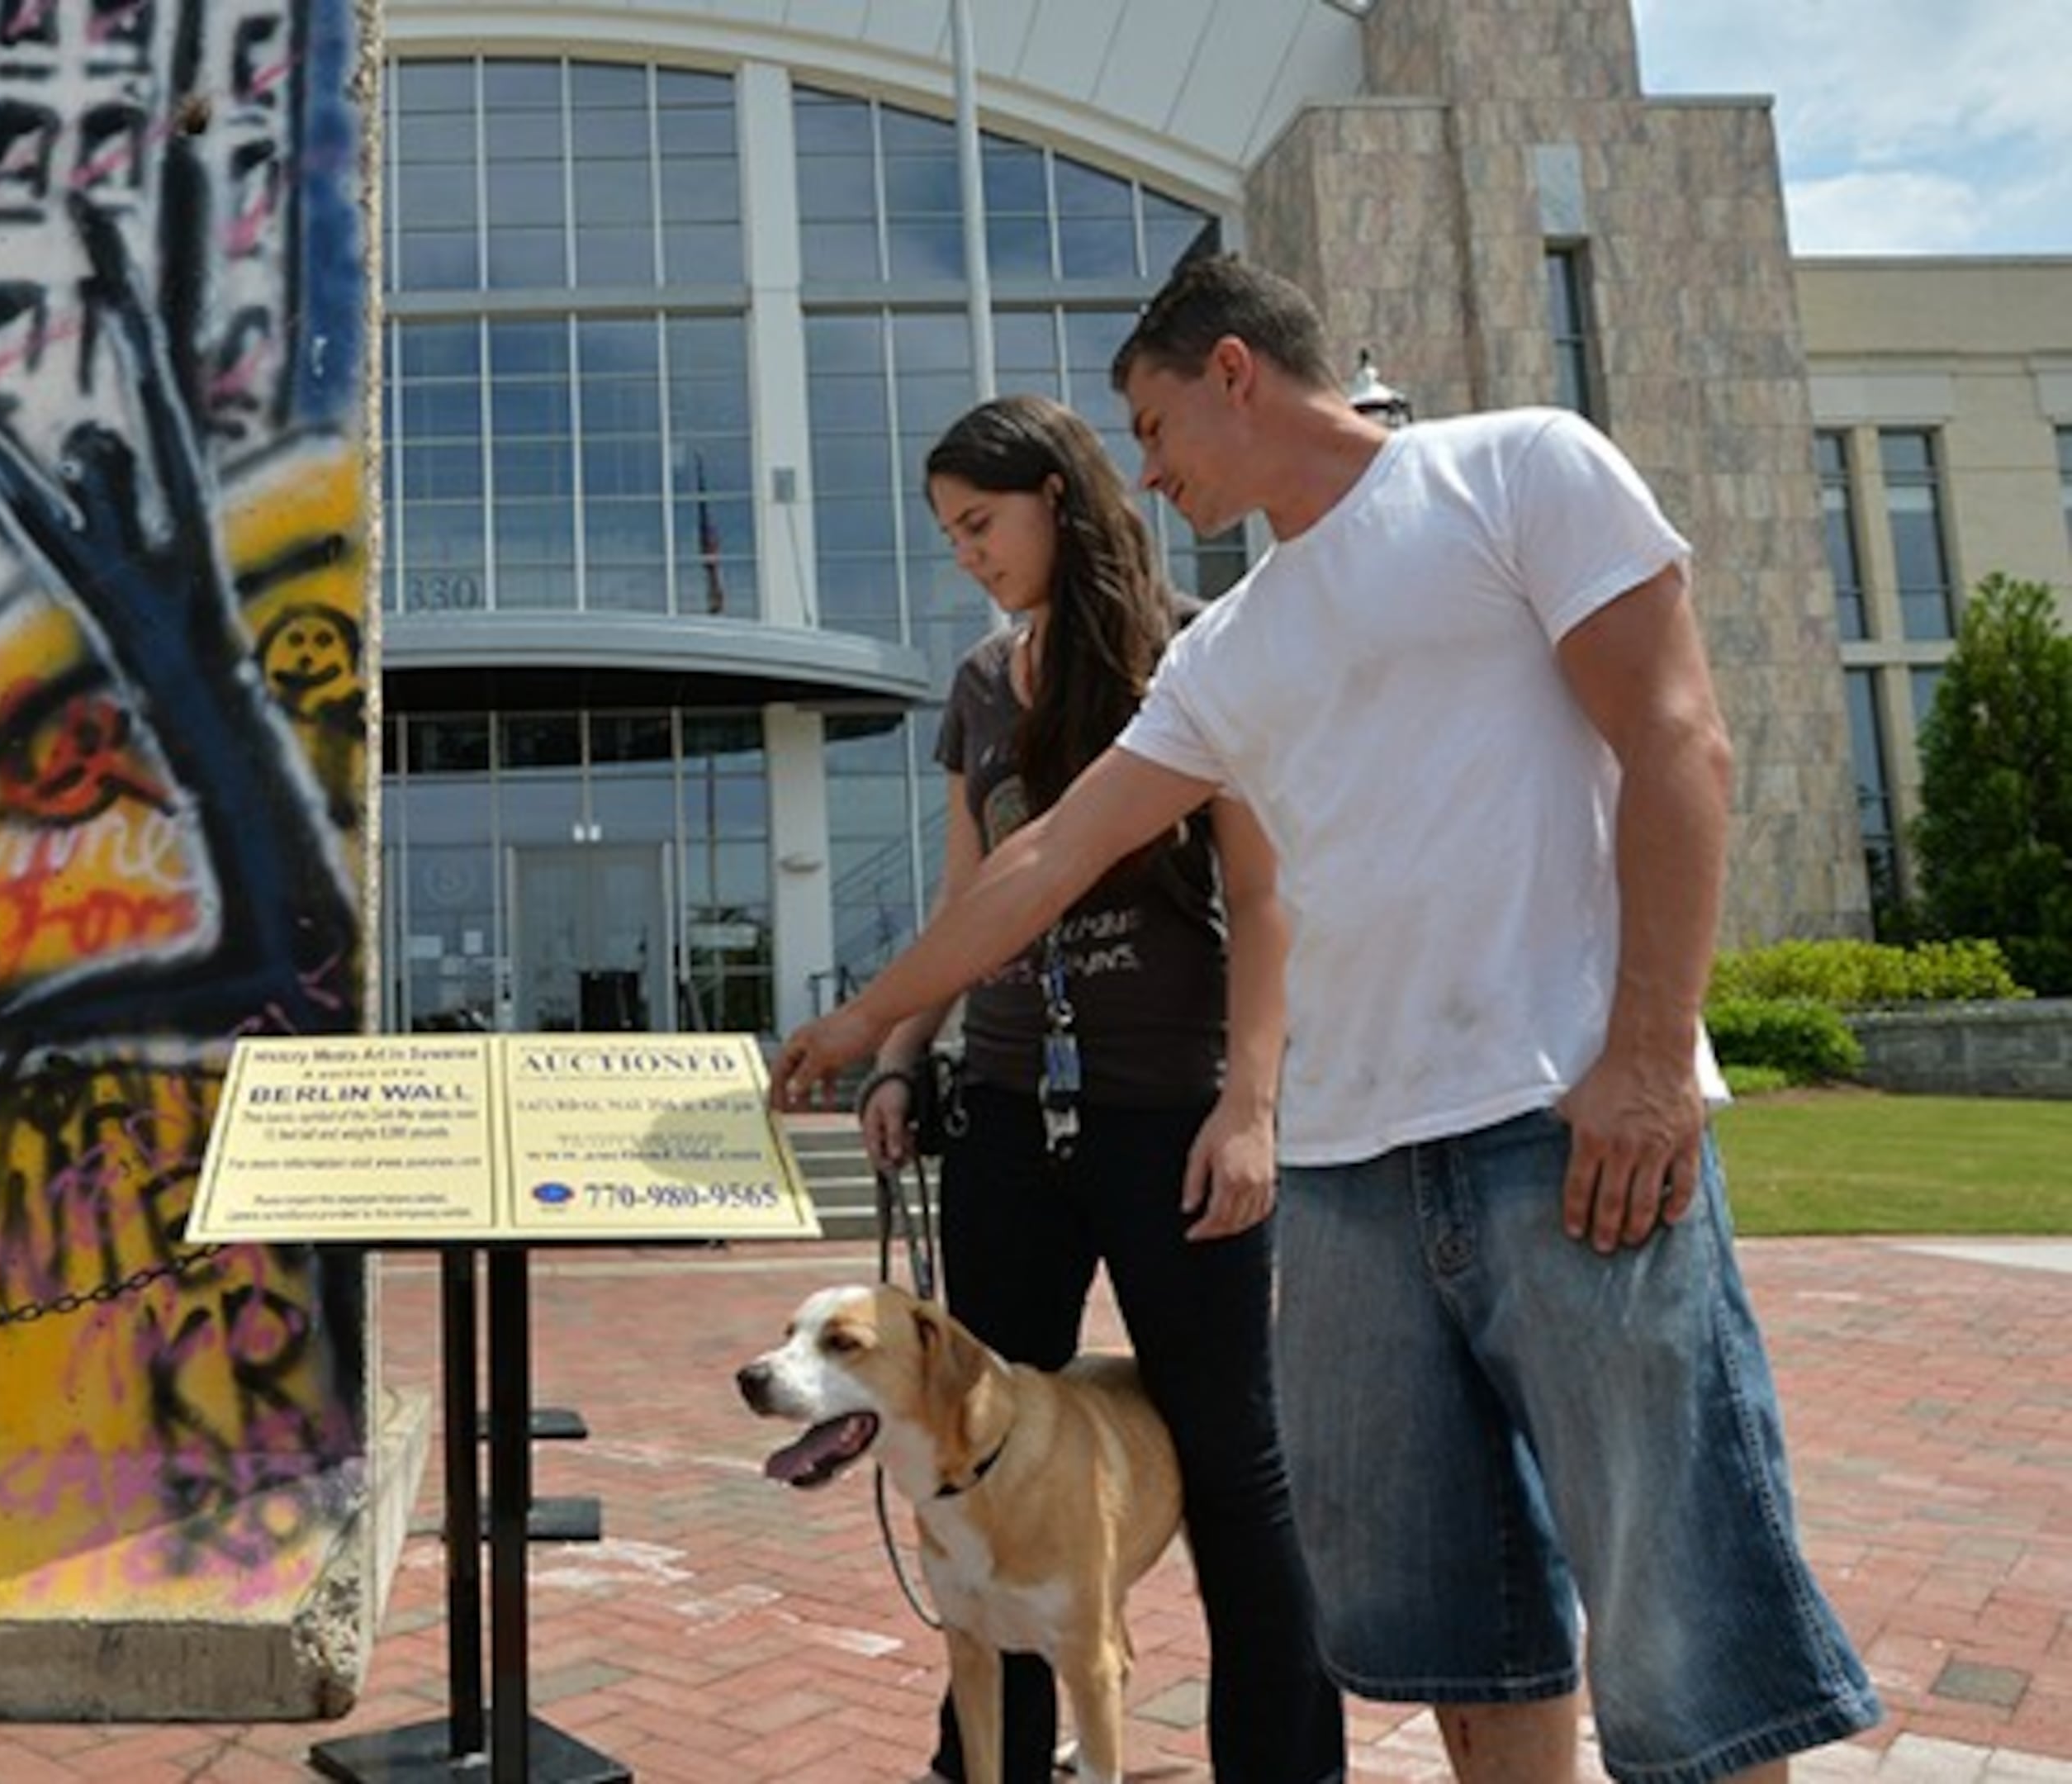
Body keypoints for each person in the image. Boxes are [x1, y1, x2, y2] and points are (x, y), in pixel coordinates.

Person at [775, 255, 1880, 1784]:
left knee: (1679, 1623)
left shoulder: (1519, 471)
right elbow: (1045, 855)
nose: (1145, 473)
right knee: (1461, 1637)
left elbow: (1680, 737)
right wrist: (867, 1019)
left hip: (1564, 1131)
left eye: (1154, 425)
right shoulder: (1227, 647)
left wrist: (1644, 1061)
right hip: (1355, 1188)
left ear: (1235, 371)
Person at [864, 394, 1342, 1782]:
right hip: (1009, 1116)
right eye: (948, 531)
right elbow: (974, 895)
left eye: (981, 522)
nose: (966, 552)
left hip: (1168, 1119)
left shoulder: (1200, 650)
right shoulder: (977, 686)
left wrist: (1249, 1105)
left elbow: (1262, 896)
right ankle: (988, 1767)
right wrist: (904, 1055)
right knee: (978, 1450)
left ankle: (1286, 1768)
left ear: (1058, 502)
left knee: (1232, 1461)